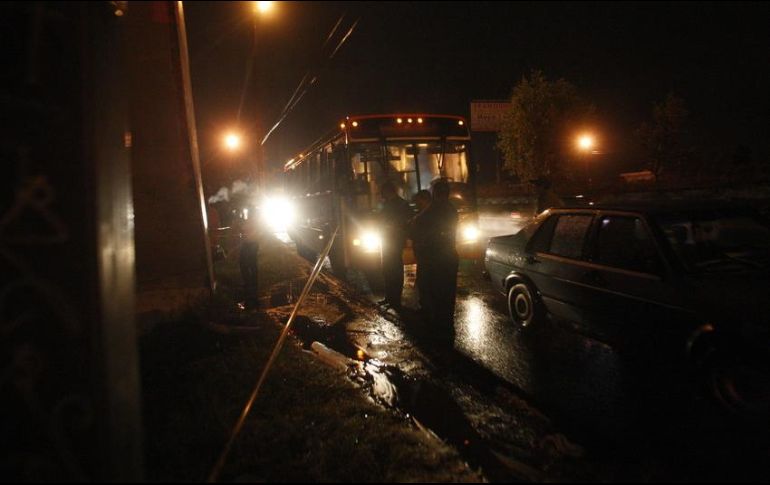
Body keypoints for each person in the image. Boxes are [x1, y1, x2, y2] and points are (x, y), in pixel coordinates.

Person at [411, 180, 458, 345]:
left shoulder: (434, 210)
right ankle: (447, 326)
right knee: (447, 294)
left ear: (434, 194)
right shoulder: (451, 209)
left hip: (433, 258)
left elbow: (418, 224)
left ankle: (436, 329)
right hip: (449, 256)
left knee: (432, 292)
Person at [378, 181, 412, 310]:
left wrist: (395, 226)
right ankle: (390, 297)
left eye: (384, 192)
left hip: (395, 240)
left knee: (395, 269)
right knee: (387, 269)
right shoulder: (388, 204)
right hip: (387, 239)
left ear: (389, 191)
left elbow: (407, 222)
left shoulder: (402, 205)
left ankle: (395, 298)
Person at [409, 189, 433, 318]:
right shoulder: (424, 214)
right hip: (425, 253)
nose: (417, 204)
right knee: (423, 281)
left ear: (424, 200)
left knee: (425, 281)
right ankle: (426, 306)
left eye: (418, 201)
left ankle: (427, 308)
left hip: (427, 254)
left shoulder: (426, 216)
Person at [239, 209, 261, 310]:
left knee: (250, 264)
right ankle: (250, 284)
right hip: (249, 243)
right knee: (248, 264)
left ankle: (251, 286)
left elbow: (248, 232)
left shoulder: (253, 222)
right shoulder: (249, 221)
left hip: (251, 243)